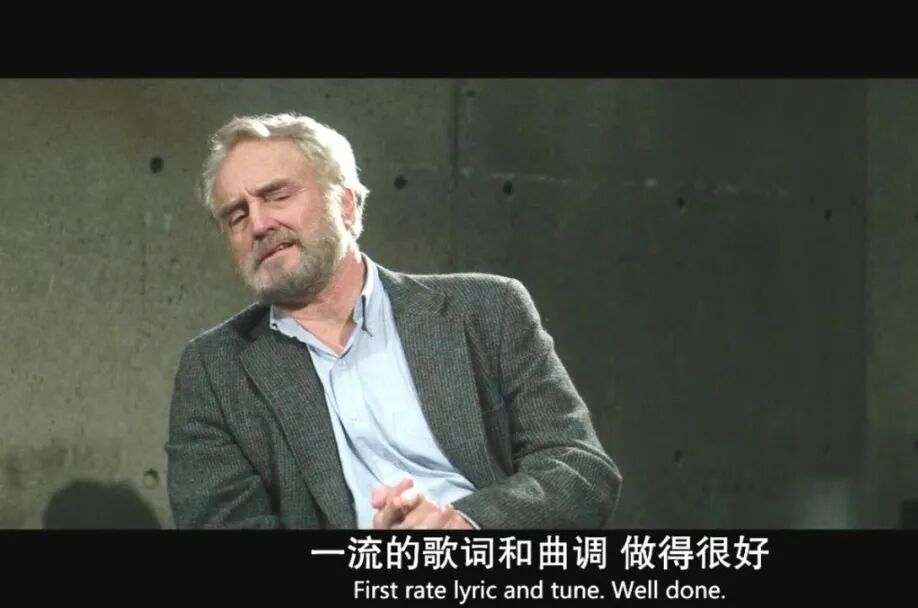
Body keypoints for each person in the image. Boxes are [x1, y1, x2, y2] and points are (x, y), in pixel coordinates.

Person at [165, 112, 621, 529]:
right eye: (237, 216)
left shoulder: (487, 309)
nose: (259, 224)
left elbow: (578, 466)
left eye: (277, 196)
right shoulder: (214, 369)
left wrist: (465, 524)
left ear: (345, 203)